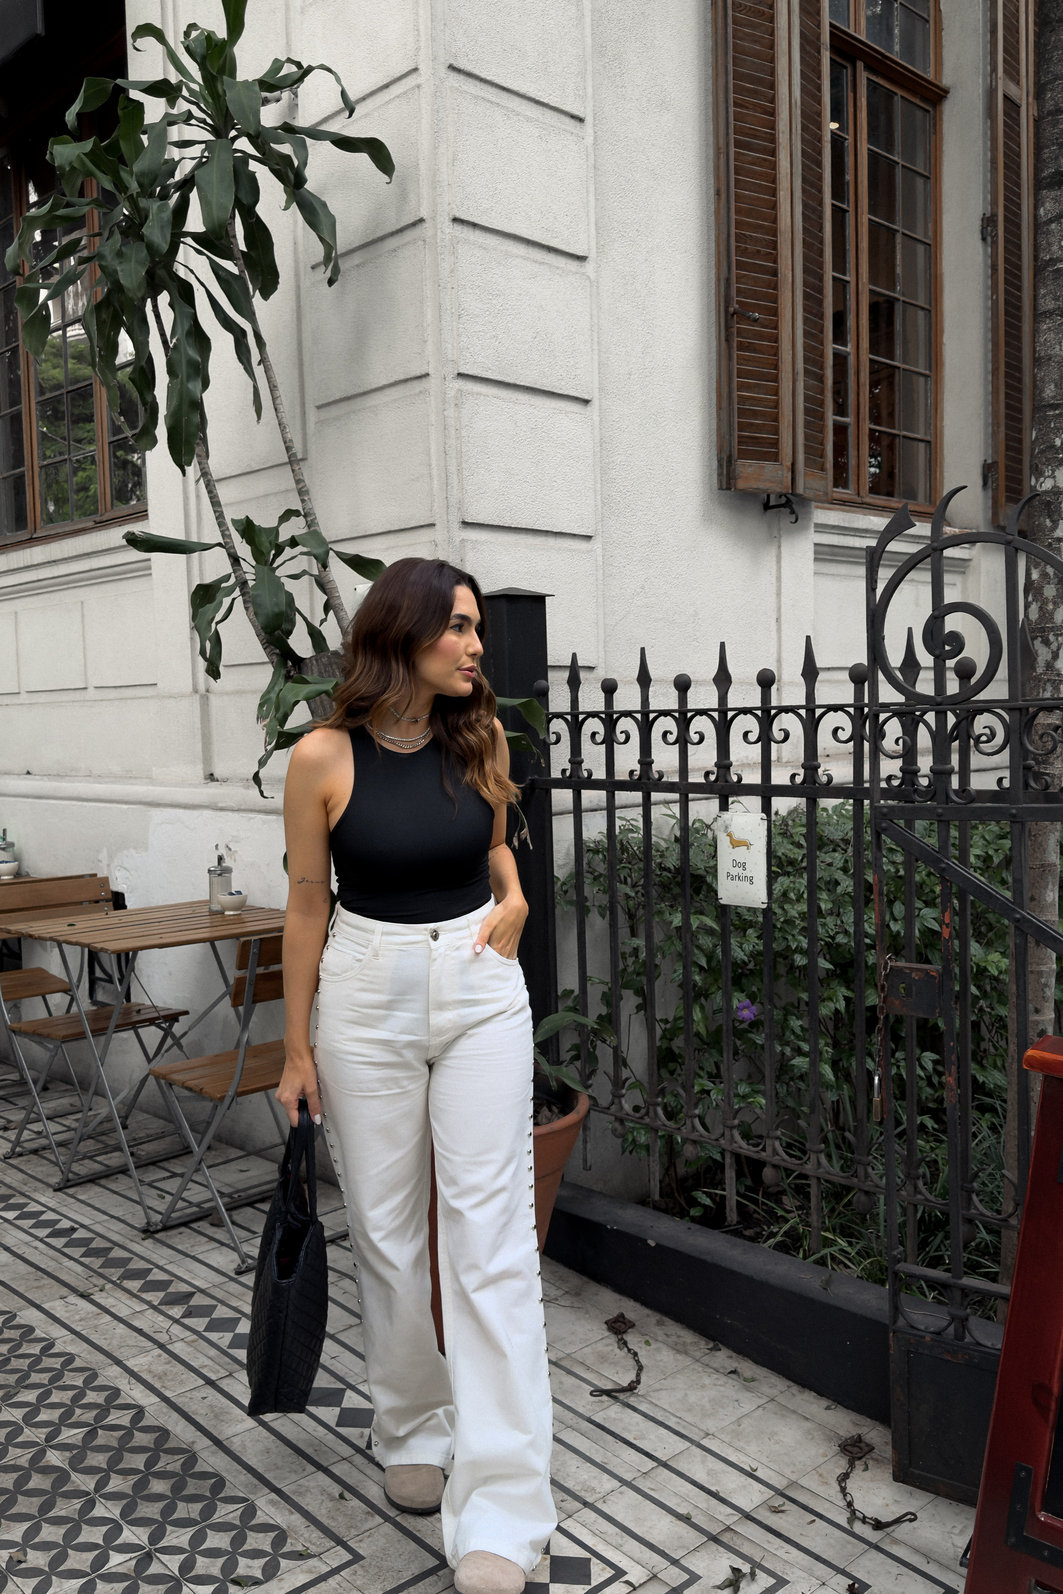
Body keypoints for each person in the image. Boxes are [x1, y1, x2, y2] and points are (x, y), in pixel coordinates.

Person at [277, 557, 556, 1594]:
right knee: (388, 1231)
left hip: (478, 986)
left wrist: (514, 896)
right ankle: (412, 1424)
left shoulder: (479, 735)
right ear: (402, 633)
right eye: (460, 627)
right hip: (364, 991)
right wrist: (295, 1048)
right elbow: (306, 903)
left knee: (491, 1245)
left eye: (478, 627)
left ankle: (503, 1512)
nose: (477, 646)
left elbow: (494, 847)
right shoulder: (322, 756)